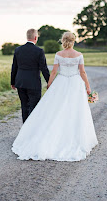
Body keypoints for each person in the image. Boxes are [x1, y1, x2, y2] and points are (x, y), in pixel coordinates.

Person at [11, 32, 98, 161]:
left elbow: (54, 71)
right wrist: (88, 87)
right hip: (75, 83)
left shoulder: (59, 55)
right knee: (74, 110)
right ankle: (73, 136)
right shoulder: (79, 55)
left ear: (63, 41)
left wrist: (50, 84)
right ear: (73, 41)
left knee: (56, 109)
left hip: (61, 82)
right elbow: (82, 72)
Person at [11, 29, 50, 123]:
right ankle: (32, 131)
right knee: (34, 107)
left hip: (20, 82)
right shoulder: (39, 51)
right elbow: (44, 68)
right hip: (34, 84)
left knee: (24, 106)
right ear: (35, 38)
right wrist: (50, 82)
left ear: (27, 37)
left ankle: (25, 130)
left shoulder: (18, 50)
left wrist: (12, 82)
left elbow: (14, 67)